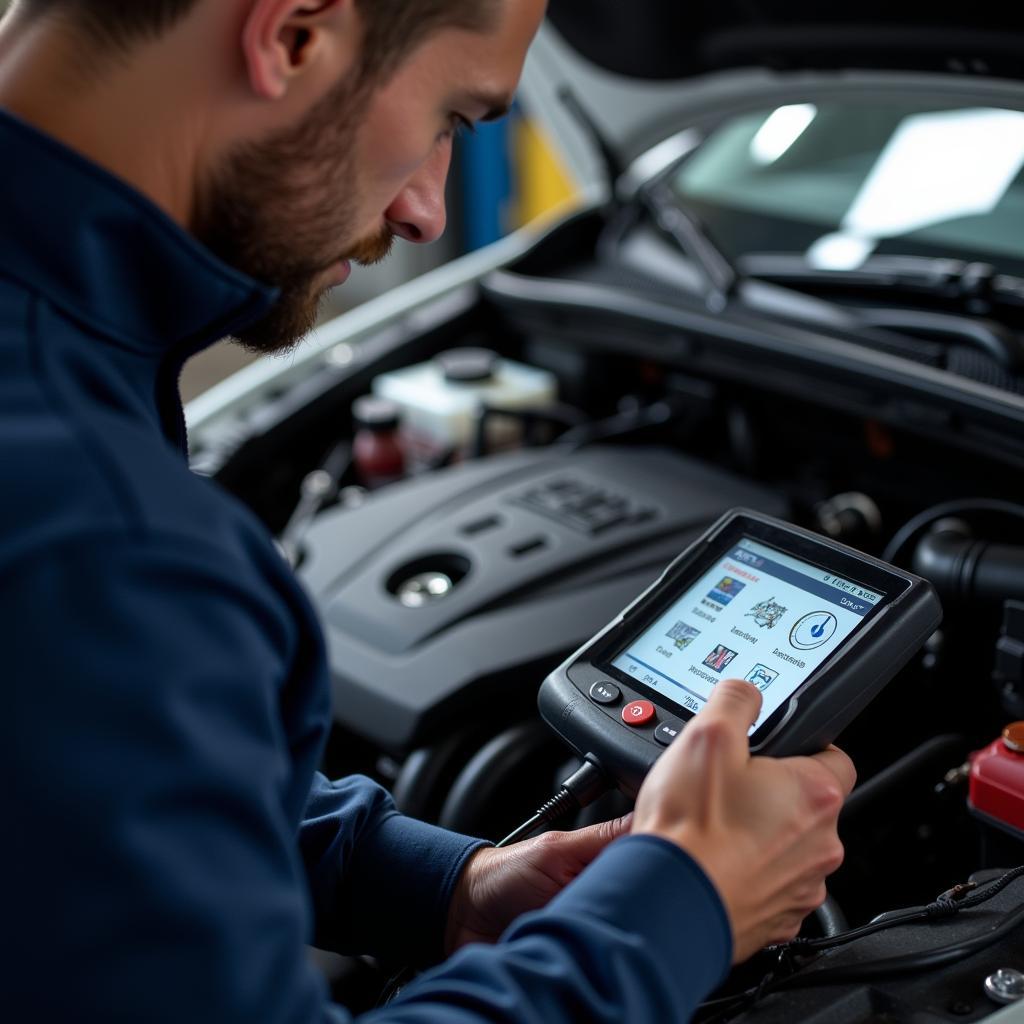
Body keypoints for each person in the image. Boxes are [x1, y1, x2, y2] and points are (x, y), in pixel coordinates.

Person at [0, 1, 856, 1020]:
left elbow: (58, 808)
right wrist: (676, 909)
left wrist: (438, 887)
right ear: (292, 33)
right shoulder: (99, 539)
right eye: (452, 116)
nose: (425, 213)